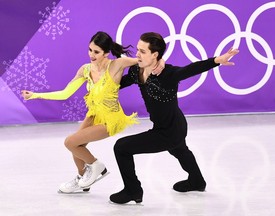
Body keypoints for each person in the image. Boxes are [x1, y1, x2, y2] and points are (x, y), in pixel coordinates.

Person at [21, 31, 164, 194]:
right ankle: (83, 179)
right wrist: (36, 95)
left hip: (111, 120)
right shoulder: (85, 69)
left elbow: (143, 60)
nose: (92, 55)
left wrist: (161, 61)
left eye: (96, 52)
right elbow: (65, 93)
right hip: (94, 115)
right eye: (90, 50)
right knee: (76, 145)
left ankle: (97, 167)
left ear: (106, 52)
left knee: (70, 142)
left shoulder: (117, 65)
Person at [109, 32, 239, 204]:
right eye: (138, 50)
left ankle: (133, 191)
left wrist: (216, 60)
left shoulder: (168, 74)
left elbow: (190, 69)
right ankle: (197, 181)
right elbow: (117, 84)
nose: (137, 54)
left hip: (169, 131)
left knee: (121, 147)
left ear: (155, 55)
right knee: (179, 149)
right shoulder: (136, 71)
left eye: (142, 51)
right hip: (172, 125)